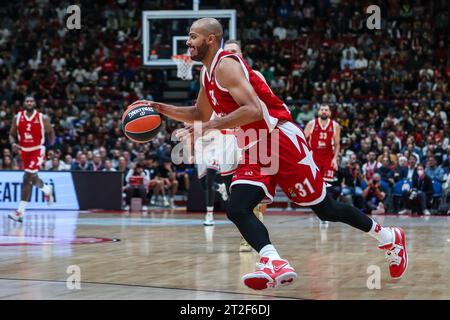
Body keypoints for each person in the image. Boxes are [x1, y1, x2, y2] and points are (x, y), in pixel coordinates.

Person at [147, 18, 408, 290]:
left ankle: (389, 236)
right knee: (237, 207)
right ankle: (274, 261)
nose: (188, 42)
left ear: (210, 39)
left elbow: (253, 110)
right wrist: (157, 107)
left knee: (326, 209)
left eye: (192, 36)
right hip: (253, 144)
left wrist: (208, 126)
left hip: (279, 139)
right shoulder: (206, 73)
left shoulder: (226, 65)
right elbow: (199, 113)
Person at [8, 96, 55, 222]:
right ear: (24, 103)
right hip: (24, 151)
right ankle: (47, 189)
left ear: (35, 103)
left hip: (38, 149)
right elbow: (11, 135)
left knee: (27, 177)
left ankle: (20, 212)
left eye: (31, 101)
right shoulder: (17, 117)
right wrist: (13, 144)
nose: (29, 103)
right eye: (27, 101)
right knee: (33, 178)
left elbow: (51, 132)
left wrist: (50, 148)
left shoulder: (42, 117)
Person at [304, 104, 341, 184]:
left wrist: (335, 158)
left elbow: (337, 144)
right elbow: (302, 140)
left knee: (327, 184)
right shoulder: (311, 124)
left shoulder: (335, 125)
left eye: (326, 110)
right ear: (318, 112)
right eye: (322, 109)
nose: (324, 111)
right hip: (314, 158)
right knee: (313, 183)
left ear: (330, 113)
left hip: (328, 159)